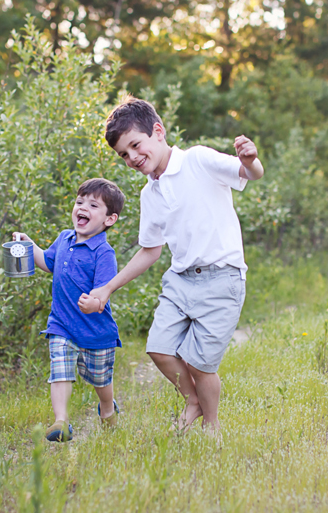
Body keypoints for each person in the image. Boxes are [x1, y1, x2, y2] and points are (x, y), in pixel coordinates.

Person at [77, 99, 262, 435]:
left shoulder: (198, 160)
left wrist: (250, 160)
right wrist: (107, 287)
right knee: (159, 348)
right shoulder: (151, 194)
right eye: (123, 154)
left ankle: (212, 425)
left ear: (157, 132)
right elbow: (149, 251)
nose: (132, 157)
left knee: (200, 362)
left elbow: (249, 172)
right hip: (180, 279)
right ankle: (192, 400)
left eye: (135, 145)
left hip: (223, 277)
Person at [13, 180, 126, 442]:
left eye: (93, 205)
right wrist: (30, 246)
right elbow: (46, 262)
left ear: (109, 219)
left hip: (96, 331)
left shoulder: (103, 252)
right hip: (62, 324)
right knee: (60, 369)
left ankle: (107, 408)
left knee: (101, 379)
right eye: (79, 202)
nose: (82, 208)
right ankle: (61, 421)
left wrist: (94, 303)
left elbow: (104, 290)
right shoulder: (64, 238)